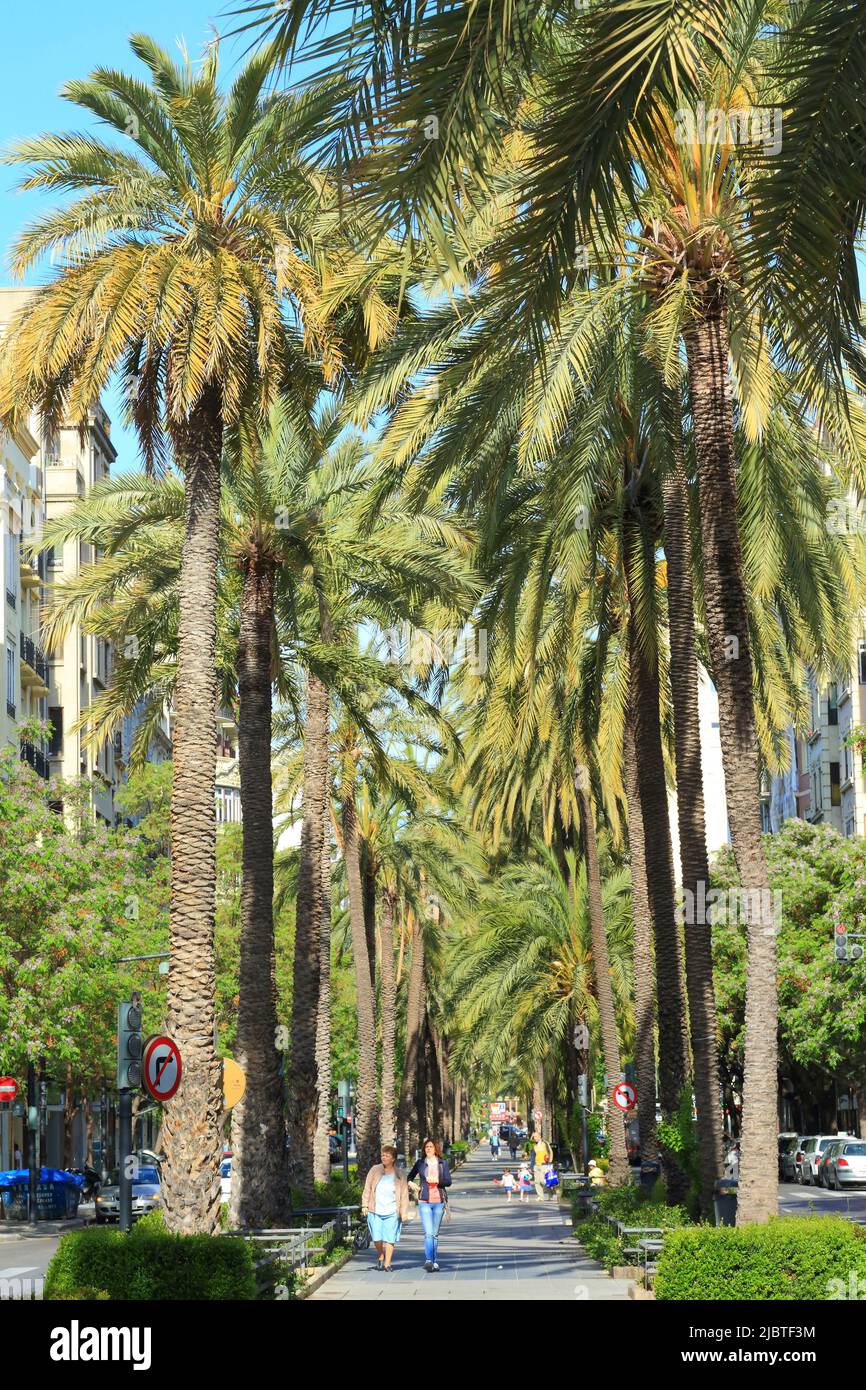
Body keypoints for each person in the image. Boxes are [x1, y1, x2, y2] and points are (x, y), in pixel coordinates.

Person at [361, 1145, 410, 1271]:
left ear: (393, 1158)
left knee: (390, 1237)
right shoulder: (374, 1170)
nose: (384, 1157)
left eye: (387, 1156)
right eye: (383, 1155)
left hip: (392, 1211)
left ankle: (388, 1263)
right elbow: (367, 1188)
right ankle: (380, 1254)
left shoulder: (400, 1175)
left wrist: (404, 1212)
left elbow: (404, 1195)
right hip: (375, 1210)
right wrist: (365, 1205)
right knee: (376, 1237)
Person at [408, 1137, 452, 1272]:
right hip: (424, 1201)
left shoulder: (442, 1163)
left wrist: (438, 1181)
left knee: (434, 1234)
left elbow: (448, 1182)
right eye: (426, 1147)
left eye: (431, 1147)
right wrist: (411, 1183)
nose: (428, 1149)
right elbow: (409, 1176)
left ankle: (434, 1261)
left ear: (436, 1149)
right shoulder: (420, 1163)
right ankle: (428, 1260)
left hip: (438, 1202)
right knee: (428, 1233)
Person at [531, 1131, 553, 1200]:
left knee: (543, 1181)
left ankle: (551, 1192)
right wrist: (531, 1166)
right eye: (534, 1137)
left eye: (536, 1136)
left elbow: (550, 1153)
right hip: (536, 1165)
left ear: (540, 1136)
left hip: (544, 1165)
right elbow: (533, 1156)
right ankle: (541, 1196)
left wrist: (549, 1162)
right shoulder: (534, 1146)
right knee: (537, 1182)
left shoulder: (545, 1144)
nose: (535, 1138)